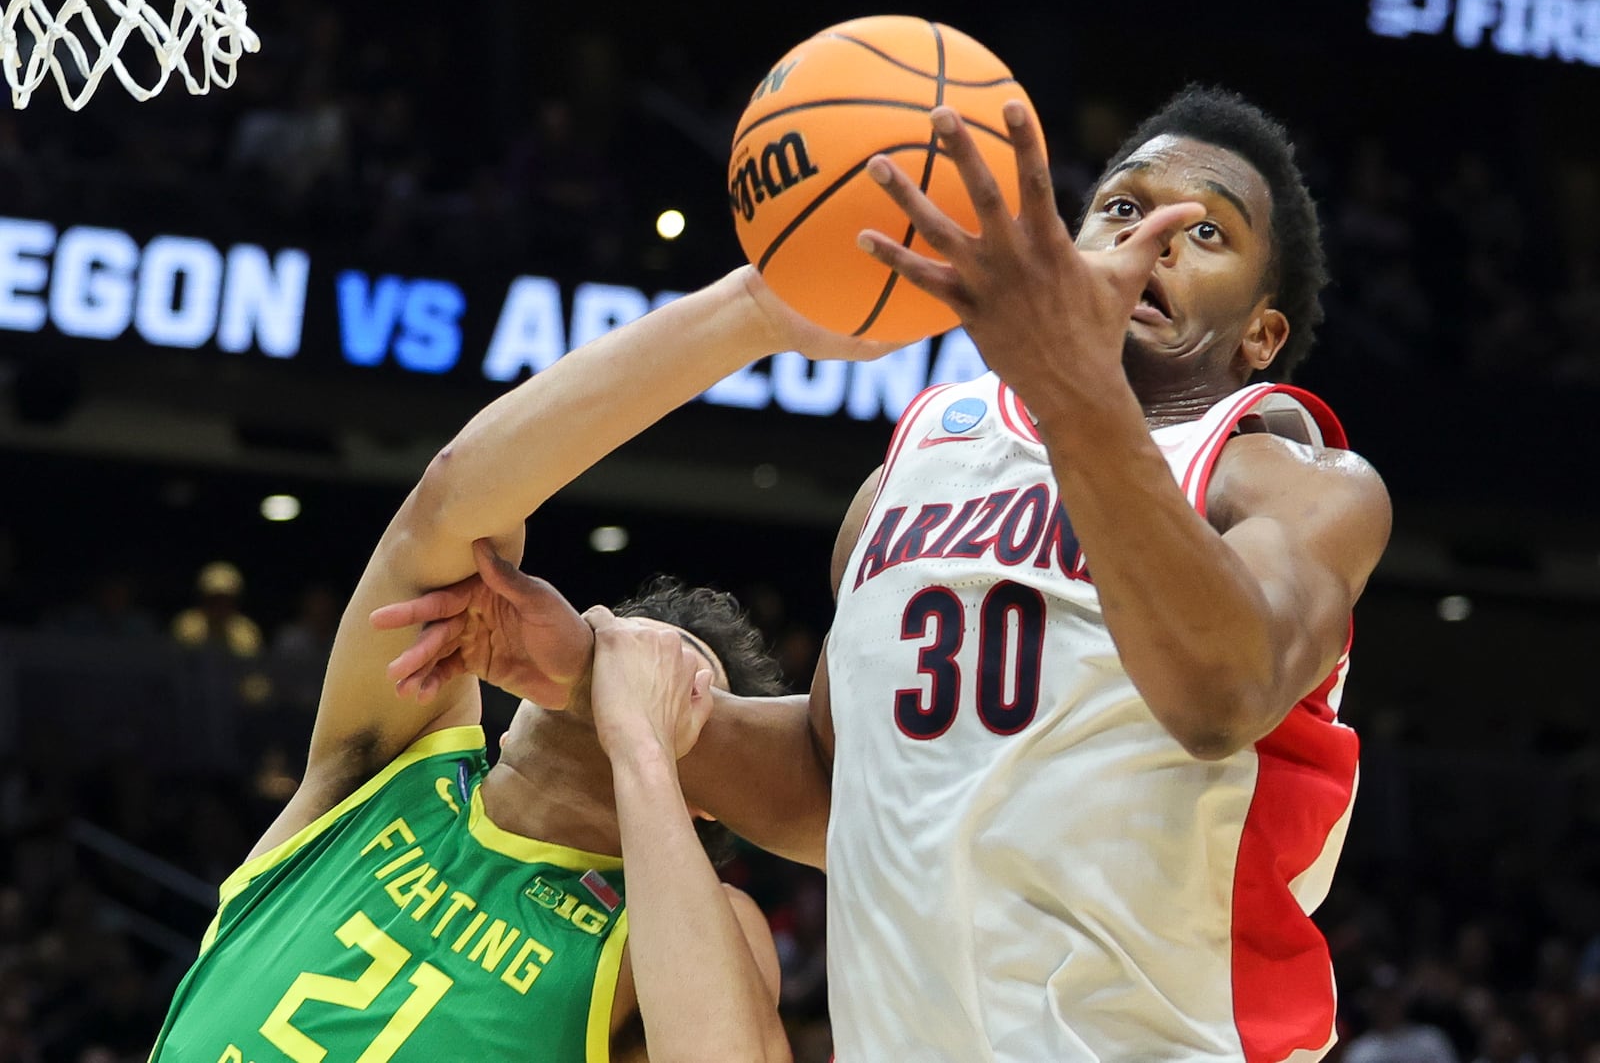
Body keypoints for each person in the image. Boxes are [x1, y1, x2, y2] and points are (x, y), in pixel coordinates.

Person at [375, 84, 1392, 1061]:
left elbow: (1223, 690)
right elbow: (833, 787)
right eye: (1121, 207)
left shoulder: (1290, 477)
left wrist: (1071, 383)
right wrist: (587, 673)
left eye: (1206, 231)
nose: (1153, 236)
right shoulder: (916, 465)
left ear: (1262, 334)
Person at [146, 386, 794, 1058]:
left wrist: (643, 750)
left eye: (668, 678)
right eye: (610, 643)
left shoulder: (673, 933)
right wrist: (752, 313)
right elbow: (458, 497)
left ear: (709, 802)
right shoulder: (405, 762)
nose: (615, 668)